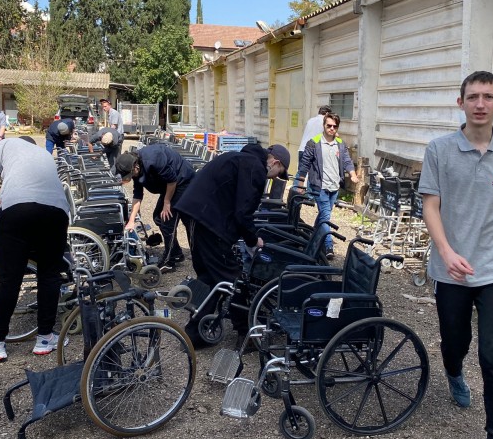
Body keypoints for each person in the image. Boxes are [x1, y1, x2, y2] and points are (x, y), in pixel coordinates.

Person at [418, 70, 493, 439]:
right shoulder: (439, 150)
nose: (480, 104)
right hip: (451, 270)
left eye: (487, 96)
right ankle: (453, 372)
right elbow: (431, 207)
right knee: (455, 342)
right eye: (473, 97)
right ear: (461, 103)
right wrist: (447, 252)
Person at [174, 143, 290, 347]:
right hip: (207, 219)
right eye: (279, 173)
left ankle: (196, 332)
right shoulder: (255, 168)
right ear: (275, 162)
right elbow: (243, 212)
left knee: (210, 275)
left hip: (195, 213)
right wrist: (253, 240)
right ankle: (246, 335)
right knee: (232, 278)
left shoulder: (239, 158)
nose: (274, 178)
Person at [0, 136, 71, 361]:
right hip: (55, 212)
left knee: (9, 278)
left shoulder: (4, 144)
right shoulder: (45, 155)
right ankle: (45, 338)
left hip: (17, 210)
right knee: (49, 275)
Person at [115, 145, 196, 273]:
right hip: (170, 185)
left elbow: (172, 180)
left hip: (182, 180)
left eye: (129, 175)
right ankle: (177, 252)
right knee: (159, 217)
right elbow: (138, 195)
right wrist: (131, 220)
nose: (129, 178)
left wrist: (167, 201)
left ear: (135, 167)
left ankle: (171, 260)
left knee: (168, 220)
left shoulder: (154, 159)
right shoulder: (135, 166)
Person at [297, 112, 358, 260]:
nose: (331, 128)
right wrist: (300, 182)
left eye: (334, 126)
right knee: (325, 216)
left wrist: (352, 173)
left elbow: (347, 160)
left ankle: (312, 237)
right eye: (328, 125)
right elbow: (304, 164)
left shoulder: (340, 143)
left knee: (324, 215)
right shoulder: (314, 142)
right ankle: (328, 245)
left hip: (334, 187)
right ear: (324, 125)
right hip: (320, 186)